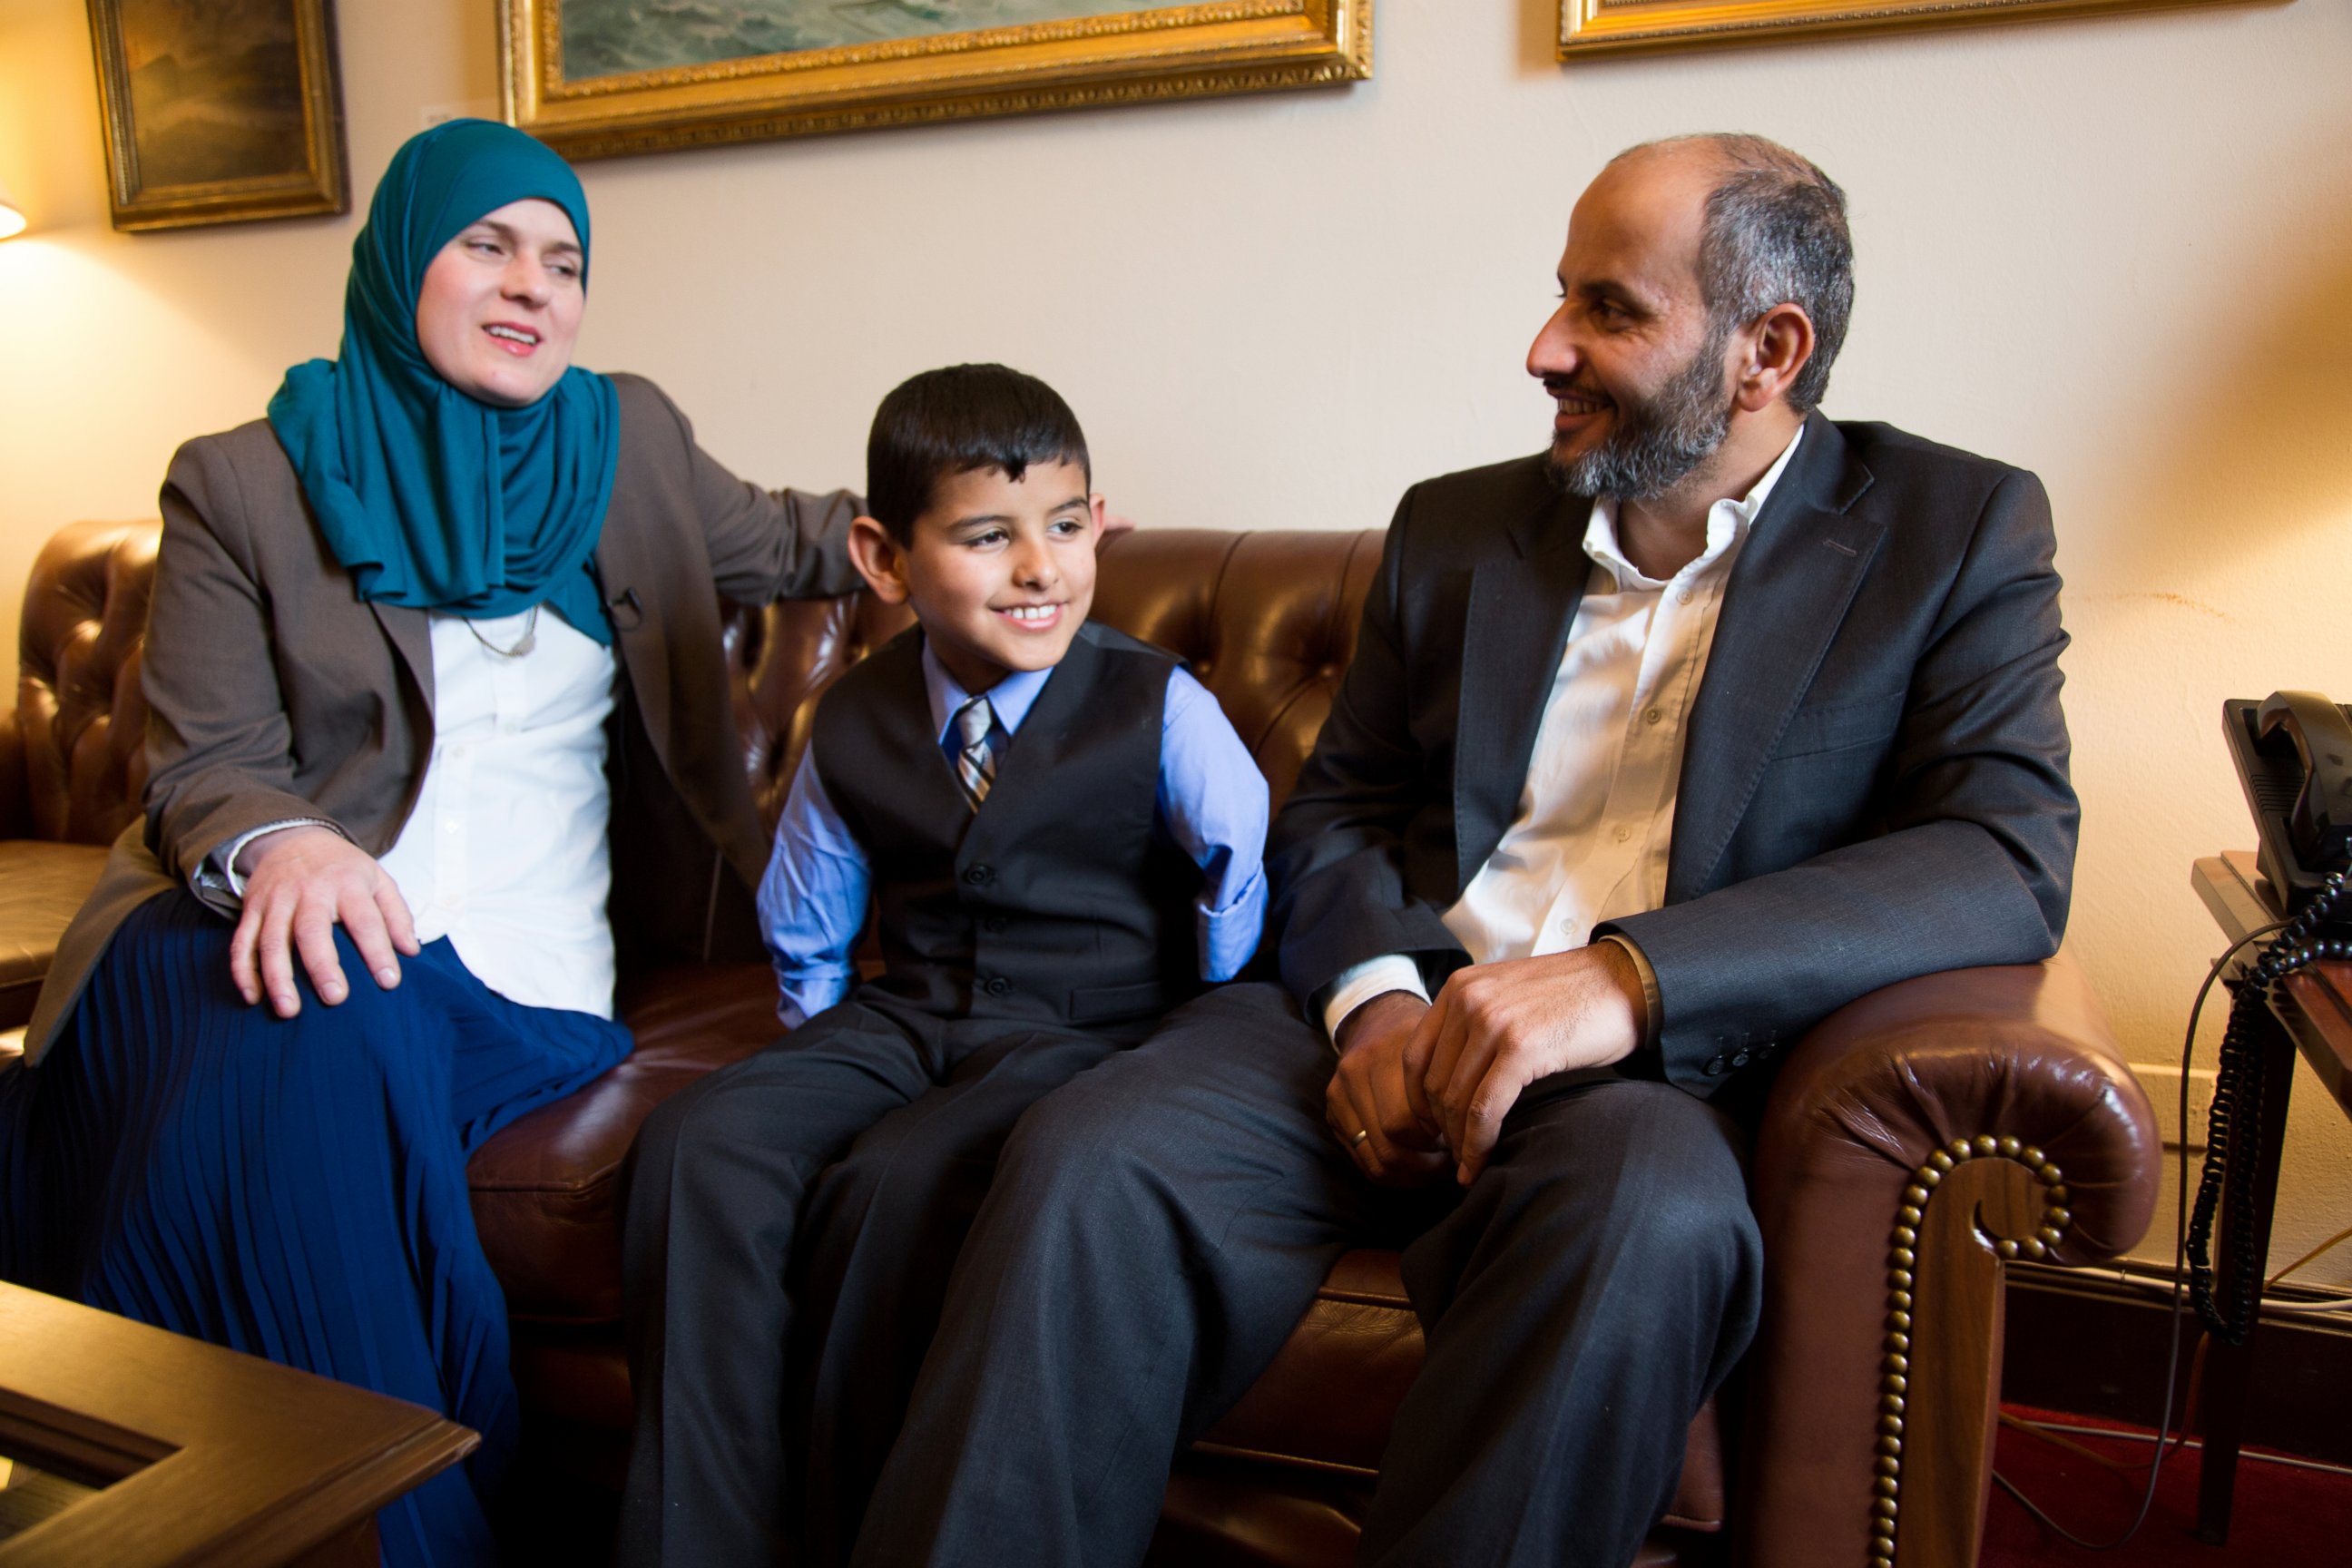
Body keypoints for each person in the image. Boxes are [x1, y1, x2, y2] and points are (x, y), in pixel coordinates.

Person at [848, 133, 2079, 1567]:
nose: (1544, 348)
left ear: (1768, 350)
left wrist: (1626, 980)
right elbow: (1338, 809)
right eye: (1561, 296)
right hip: (1378, 1016)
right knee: (1089, 1152)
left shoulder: (1953, 528)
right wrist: (1374, 993)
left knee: (1654, 1224)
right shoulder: (1456, 526)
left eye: (1609, 310)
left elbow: (2002, 848)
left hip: (1641, 1072)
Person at [0, 120, 864, 1566]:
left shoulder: (626, 437)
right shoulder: (246, 479)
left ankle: (203, 1502)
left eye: (564, 261)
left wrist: (1012, 524)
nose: (532, 286)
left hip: (516, 979)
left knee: (327, 1029)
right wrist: (289, 847)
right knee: (312, 1003)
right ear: (405, 257)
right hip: (248, 916)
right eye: (487, 245)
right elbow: (204, 763)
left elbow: (803, 535)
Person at [617, 363, 1269, 1567]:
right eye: (989, 537)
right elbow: (810, 916)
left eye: (1068, 527)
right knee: (695, 1142)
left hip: (1092, 1023)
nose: (1042, 569)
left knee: (905, 1180)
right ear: (881, 558)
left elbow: (1233, 872)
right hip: (904, 1012)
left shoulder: (1158, 703)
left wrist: (1198, 1021)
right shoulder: (853, 713)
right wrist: (821, 1044)